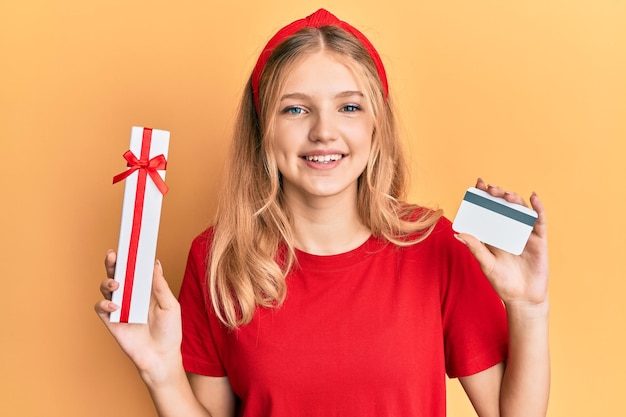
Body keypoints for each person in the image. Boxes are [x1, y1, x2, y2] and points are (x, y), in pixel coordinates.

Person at [96, 8, 549, 417]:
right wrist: (160, 372)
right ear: (262, 129)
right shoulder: (217, 259)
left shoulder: (435, 245)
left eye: (349, 107)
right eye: (295, 109)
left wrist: (529, 308)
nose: (323, 131)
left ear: (377, 127)